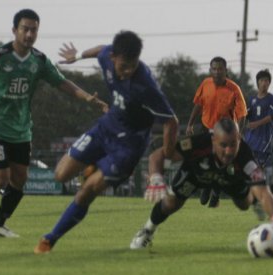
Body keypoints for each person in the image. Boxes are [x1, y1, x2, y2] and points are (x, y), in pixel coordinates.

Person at [33, 30, 178, 254]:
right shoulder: (106, 56)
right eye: (123, 66)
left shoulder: (145, 85)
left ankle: (50, 239)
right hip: (105, 128)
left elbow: (171, 121)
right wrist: (78, 55)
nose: (128, 71)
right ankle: (94, 165)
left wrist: (166, 157)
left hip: (128, 146)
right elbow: (100, 49)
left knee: (87, 189)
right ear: (113, 58)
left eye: (133, 65)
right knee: (60, 175)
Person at [0, 9, 107, 238]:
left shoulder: (38, 61)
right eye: (25, 29)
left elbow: (62, 83)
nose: (29, 34)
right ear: (15, 30)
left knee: (20, 178)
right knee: (0, 178)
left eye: (34, 30)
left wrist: (87, 98)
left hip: (21, 130)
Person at [130, 118, 273, 249]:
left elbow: (263, 190)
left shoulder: (246, 157)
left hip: (230, 178)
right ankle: (147, 231)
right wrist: (156, 177)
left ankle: (254, 203)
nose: (228, 151)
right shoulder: (198, 143)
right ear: (213, 140)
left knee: (244, 204)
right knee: (171, 202)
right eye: (223, 145)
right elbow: (159, 155)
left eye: (233, 144)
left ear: (239, 139)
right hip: (196, 174)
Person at [146, 57, 247, 206]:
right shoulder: (205, 84)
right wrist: (190, 123)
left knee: (221, 164)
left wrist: (238, 134)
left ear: (226, 71)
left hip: (224, 133)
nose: (217, 72)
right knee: (203, 160)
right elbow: (198, 105)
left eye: (220, 69)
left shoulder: (234, 89)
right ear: (210, 70)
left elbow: (242, 114)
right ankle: (206, 187)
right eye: (214, 68)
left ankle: (215, 194)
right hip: (206, 128)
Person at [243, 69, 273, 220]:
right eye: (262, 80)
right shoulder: (251, 99)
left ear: (269, 83)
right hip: (250, 139)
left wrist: (255, 123)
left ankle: (260, 199)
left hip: (264, 140)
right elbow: (244, 115)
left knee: (259, 170)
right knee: (249, 169)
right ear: (257, 82)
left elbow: (271, 116)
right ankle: (254, 198)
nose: (264, 83)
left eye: (267, 81)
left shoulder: (272, 99)